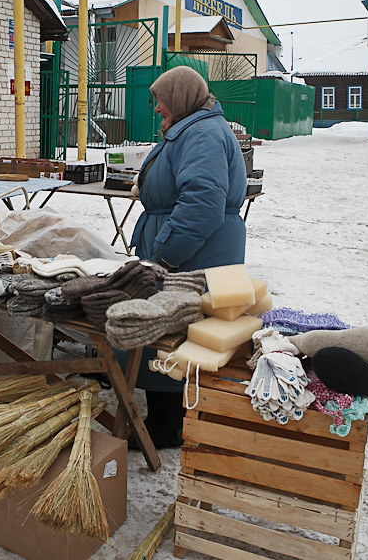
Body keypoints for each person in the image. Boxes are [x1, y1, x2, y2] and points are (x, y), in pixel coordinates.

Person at [128, 65, 247, 447]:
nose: (157, 107)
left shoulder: (201, 135)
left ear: (179, 97)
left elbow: (201, 204)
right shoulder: (192, 130)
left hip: (192, 257)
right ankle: (170, 420)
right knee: (172, 334)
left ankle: (168, 426)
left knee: (172, 335)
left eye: (160, 99)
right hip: (191, 252)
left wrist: (164, 255)